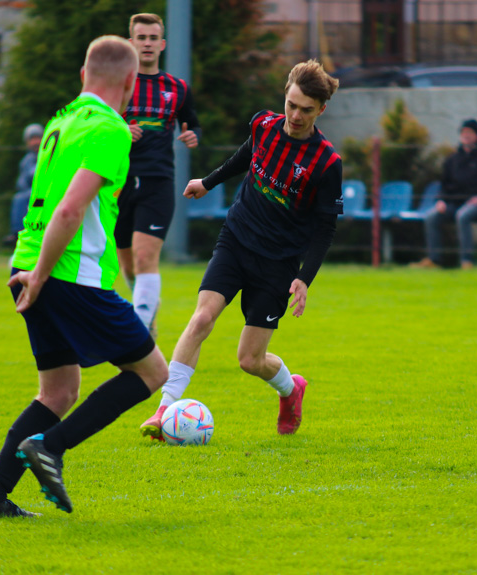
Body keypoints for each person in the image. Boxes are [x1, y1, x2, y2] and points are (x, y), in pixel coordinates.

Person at [0, 36, 168, 517]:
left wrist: (30, 271)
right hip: (65, 272)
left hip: (29, 261)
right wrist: (42, 275)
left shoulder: (61, 121)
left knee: (58, 391)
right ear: (131, 82)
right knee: (152, 371)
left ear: (83, 75)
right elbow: (71, 209)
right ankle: (50, 447)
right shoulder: (110, 130)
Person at [139, 60, 342, 439]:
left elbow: (325, 227)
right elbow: (246, 156)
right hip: (237, 237)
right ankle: (163, 410)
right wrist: (208, 181)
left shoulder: (327, 162)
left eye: (306, 110)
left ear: (321, 110)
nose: (295, 116)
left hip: (278, 262)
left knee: (250, 360)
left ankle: (291, 388)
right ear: (285, 95)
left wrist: (303, 278)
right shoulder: (264, 125)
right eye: (291, 104)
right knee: (202, 319)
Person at [117, 13, 202, 335]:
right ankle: (147, 309)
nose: (148, 44)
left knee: (144, 257)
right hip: (119, 184)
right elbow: (97, 126)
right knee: (128, 265)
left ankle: (139, 336)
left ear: (162, 44)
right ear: (131, 43)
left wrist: (194, 135)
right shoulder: (118, 85)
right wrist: (121, 130)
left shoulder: (177, 89)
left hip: (158, 182)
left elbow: (193, 122)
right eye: (142, 37)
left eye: (153, 38)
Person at [410, 118, 477, 269]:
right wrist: (441, 200)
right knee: (431, 217)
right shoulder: (453, 160)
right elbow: (444, 184)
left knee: (463, 216)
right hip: (455, 203)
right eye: (463, 133)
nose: (466, 136)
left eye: (470, 132)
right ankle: (434, 260)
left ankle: (467, 261)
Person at [3, 123, 44, 247]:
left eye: (38, 138)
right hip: (30, 195)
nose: (35, 142)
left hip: (44, 193)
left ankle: (17, 233)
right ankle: (17, 233)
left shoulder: (46, 156)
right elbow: (21, 183)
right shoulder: (26, 160)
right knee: (19, 198)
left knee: (21, 199)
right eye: (32, 139)